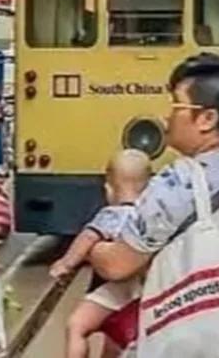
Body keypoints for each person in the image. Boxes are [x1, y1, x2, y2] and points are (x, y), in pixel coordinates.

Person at [88, 54, 219, 356]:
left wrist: (95, 246)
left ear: (207, 119)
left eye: (176, 105)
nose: (167, 117)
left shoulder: (179, 180)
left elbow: (117, 264)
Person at [50, 150, 152, 358]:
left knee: (76, 327)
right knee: (118, 339)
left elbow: (87, 238)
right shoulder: (151, 217)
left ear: (108, 189)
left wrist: (66, 263)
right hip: (145, 289)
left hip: (114, 288)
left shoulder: (110, 215)